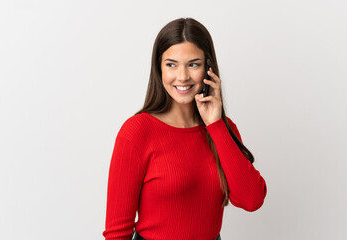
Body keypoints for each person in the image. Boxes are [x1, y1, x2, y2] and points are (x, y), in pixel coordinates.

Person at [102, 17, 267, 240]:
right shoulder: (137, 132)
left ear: (209, 68)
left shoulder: (222, 129)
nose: (182, 77)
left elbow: (252, 200)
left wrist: (216, 126)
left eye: (193, 64)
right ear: (159, 69)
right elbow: (116, 233)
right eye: (171, 64)